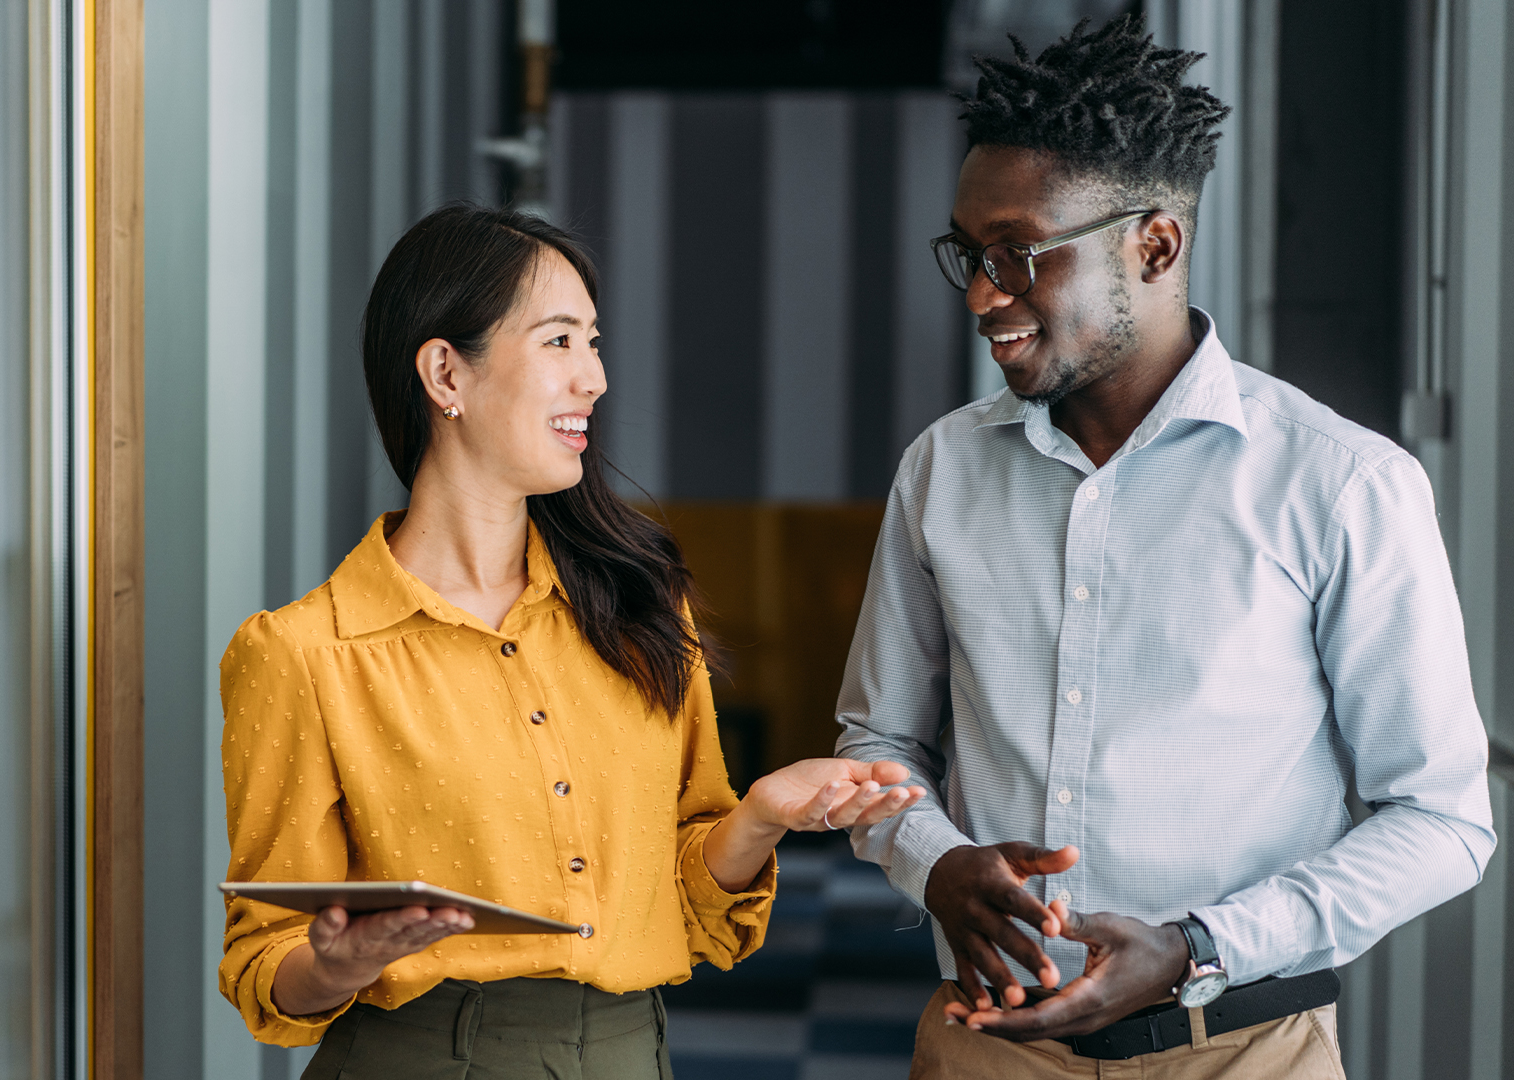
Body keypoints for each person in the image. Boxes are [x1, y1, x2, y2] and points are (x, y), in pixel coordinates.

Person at [834, 16, 1495, 1079]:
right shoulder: (942, 472)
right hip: (988, 1049)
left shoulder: (1341, 485)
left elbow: (1442, 822)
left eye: (1019, 253)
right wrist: (938, 862)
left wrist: (1197, 949)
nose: (980, 293)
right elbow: (878, 741)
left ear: (1154, 244)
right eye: (968, 251)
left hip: (1243, 1051)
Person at [218, 203, 926, 1078]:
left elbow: (690, 901)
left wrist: (758, 817)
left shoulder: (644, 604)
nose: (593, 378)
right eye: (559, 341)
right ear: (446, 373)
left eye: (594, 344)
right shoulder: (301, 654)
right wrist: (336, 964)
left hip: (631, 1052)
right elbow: (263, 958)